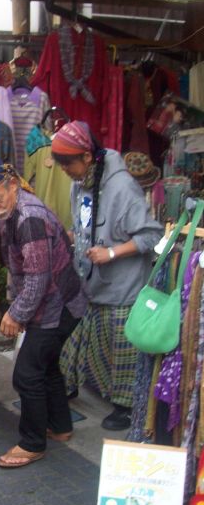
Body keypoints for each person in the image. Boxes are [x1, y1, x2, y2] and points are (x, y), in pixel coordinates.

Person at [0, 160, 87, 468]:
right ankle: (60, 427)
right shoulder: (12, 211)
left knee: (26, 374)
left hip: (60, 305)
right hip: (56, 303)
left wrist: (16, 313)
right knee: (46, 367)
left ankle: (32, 442)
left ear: (12, 185)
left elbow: (38, 277)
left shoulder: (29, 217)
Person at [50, 121, 164, 430]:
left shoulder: (122, 186)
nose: (64, 170)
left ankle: (125, 406)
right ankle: (69, 384)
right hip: (90, 280)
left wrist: (111, 253)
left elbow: (151, 236)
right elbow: (88, 223)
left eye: (67, 164)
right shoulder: (81, 183)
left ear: (87, 157)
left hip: (123, 285)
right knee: (77, 337)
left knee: (121, 349)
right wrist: (73, 237)